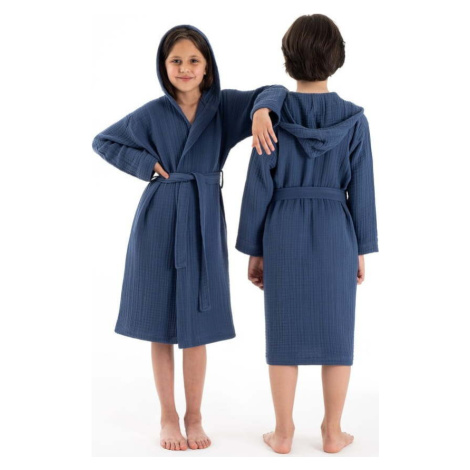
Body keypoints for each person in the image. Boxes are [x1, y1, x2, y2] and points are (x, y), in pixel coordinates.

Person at [92, 24, 287, 451]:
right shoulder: (151, 113)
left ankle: (194, 416)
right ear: (164, 67)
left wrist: (259, 112)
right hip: (160, 216)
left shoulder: (224, 107)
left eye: (193, 60)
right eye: (176, 60)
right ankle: (167, 416)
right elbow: (103, 141)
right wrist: (146, 165)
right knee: (161, 323)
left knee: (197, 322)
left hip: (202, 216)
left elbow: (275, 91)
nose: (184, 68)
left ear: (207, 67)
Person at [236, 14, 379, 454]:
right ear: (338, 58)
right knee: (338, 333)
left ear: (288, 58)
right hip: (337, 229)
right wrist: (360, 248)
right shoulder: (354, 120)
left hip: (283, 229)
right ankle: (333, 432)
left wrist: (255, 249)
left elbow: (258, 185)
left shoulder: (271, 118)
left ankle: (283, 433)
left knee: (284, 331)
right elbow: (363, 190)